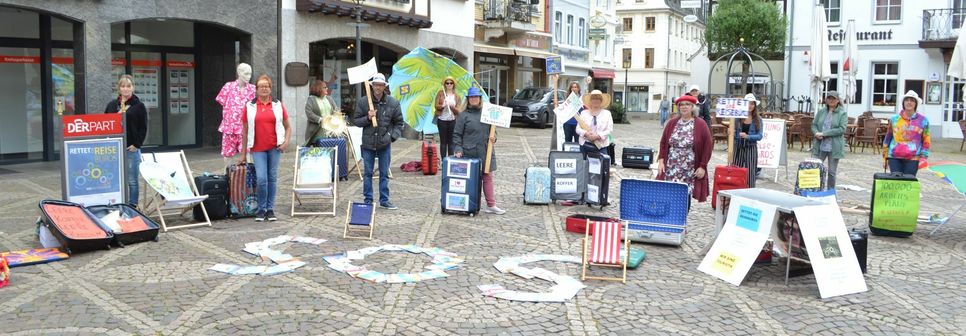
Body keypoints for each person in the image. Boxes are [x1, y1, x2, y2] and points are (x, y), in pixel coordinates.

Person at [240, 75, 292, 222]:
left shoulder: (277, 105)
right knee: (262, 178)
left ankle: (270, 209)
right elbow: (245, 131)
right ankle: (261, 209)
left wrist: (286, 142)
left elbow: (288, 127)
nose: (264, 88)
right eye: (261, 86)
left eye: (267, 86)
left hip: (275, 148)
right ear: (256, 89)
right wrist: (243, 154)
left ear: (270, 88)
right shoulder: (249, 106)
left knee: (272, 178)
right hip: (257, 148)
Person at [353, 73, 404, 210]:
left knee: (384, 173)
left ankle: (384, 200)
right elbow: (356, 121)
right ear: (372, 86)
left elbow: (399, 123)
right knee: (368, 173)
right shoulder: (364, 102)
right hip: (368, 143)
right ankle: (368, 200)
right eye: (375, 84)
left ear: (384, 87)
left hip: (384, 143)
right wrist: (368, 118)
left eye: (380, 85)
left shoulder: (392, 103)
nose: (377, 87)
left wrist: (391, 136)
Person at [453, 87, 505, 215]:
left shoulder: (488, 113)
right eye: (471, 97)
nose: (474, 99)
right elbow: (457, 134)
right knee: (471, 180)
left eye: (476, 97)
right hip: (469, 153)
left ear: (480, 99)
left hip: (486, 152)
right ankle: (468, 204)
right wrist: (458, 149)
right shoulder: (463, 115)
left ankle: (491, 205)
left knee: (487, 178)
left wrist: (494, 138)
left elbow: (494, 131)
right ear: (468, 99)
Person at [656, 94, 713, 209]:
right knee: (669, 193)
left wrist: (702, 166)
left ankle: (682, 221)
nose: (684, 107)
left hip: (689, 167)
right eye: (681, 104)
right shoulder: (672, 123)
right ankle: (670, 219)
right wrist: (661, 161)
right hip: (671, 165)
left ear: (693, 107)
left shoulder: (700, 124)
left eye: (688, 104)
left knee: (684, 194)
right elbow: (663, 143)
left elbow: (708, 145)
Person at [105, 75, 148, 208]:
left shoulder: (139, 106)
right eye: (123, 86)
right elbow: (105, 123)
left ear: (133, 88)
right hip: (114, 148)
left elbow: (143, 127)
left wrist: (136, 145)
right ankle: (117, 203)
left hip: (131, 149)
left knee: (132, 181)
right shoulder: (112, 105)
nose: (125, 89)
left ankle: (132, 205)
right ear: (119, 88)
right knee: (114, 179)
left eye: (128, 86)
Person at [883, 90, 931, 176]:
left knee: (909, 184)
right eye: (907, 100)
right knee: (897, 183)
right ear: (903, 102)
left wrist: (923, 157)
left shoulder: (923, 120)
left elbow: (926, 140)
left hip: (913, 158)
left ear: (916, 104)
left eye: (912, 100)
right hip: (894, 157)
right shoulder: (894, 119)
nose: (909, 102)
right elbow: (887, 138)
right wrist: (884, 157)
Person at [215, 63, 256, 164]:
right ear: (239, 73)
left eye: (250, 74)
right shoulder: (228, 86)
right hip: (229, 127)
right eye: (246, 74)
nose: (249, 76)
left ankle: (247, 177)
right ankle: (228, 176)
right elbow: (221, 100)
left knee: (247, 153)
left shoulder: (253, 89)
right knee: (227, 154)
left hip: (246, 128)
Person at [810, 91, 848, 189]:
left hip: (834, 147)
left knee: (831, 172)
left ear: (838, 100)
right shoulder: (821, 111)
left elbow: (841, 129)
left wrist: (824, 133)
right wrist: (816, 133)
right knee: (815, 169)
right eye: (829, 98)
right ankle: (815, 190)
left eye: (833, 98)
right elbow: (814, 125)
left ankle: (830, 193)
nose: (831, 100)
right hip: (820, 145)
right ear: (826, 100)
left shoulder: (842, 113)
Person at [733, 93, 764, 187]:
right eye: (748, 103)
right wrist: (731, 133)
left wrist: (748, 136)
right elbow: (734, 135)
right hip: (738, 147)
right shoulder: (738, 118)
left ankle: (750, 191)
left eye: (752, 103)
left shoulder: (758, 119)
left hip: (751, 147)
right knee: (736, 170)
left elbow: (759, 136)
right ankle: (735, 190)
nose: (750, 106)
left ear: (755, 105)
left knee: (750, 172)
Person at [575, 90, 614, 157]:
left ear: (601, 101)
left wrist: (598, 136)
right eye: (593, 98)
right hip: (585, 145)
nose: (595, 100)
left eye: (598, 98)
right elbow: (578, 129)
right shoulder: (584, 113)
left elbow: (609, 130)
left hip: (601, 146)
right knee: (584, 166)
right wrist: (586, 134)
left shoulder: (607, 113)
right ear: (590, 100)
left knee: (603, 166)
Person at [304, 79, 341, 145]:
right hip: (316, 132)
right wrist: (321, 120)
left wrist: (335, 117)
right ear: (319, 89)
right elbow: (309, 113)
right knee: (319, 153)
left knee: (330, 151)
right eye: (325, 87)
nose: (327, 88)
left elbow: (336, 110)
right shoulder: (311, 99)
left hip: (330, 131)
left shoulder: (329, 98)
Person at [434, 76, 462, 157]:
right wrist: (443, 105)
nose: (449, 84)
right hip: (442, 120)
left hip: (452, 120)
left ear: (453, 85)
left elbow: (458, 111)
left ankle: (450, 160)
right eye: (447, 83)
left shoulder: (457, 96)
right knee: (443, 141)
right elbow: (436, 106)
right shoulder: (440, 93)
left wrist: (452, 107)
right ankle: (443, 161)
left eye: (451, 83)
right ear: (445, 84)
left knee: (451, 142)